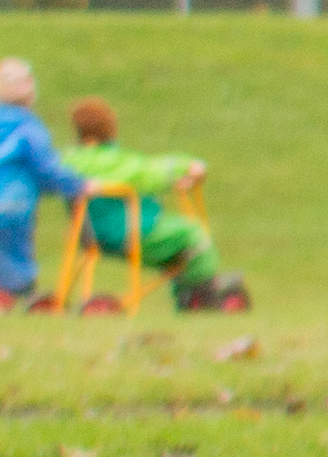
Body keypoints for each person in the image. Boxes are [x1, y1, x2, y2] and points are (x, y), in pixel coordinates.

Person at [56, 99, 246, 311]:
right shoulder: (110, 161)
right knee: (193, 234)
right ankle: (200, 292)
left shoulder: (69, 159)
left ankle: (190, 289)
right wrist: (185, 167)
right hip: (130, 231)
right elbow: (147, 173)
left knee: (178, 239)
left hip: (90, 235)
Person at [0, 64, 81, 316]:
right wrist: (78, 185)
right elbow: (46, 169)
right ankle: (19, 294)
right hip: (13, 203)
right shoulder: (28, 127)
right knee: (15, 253)